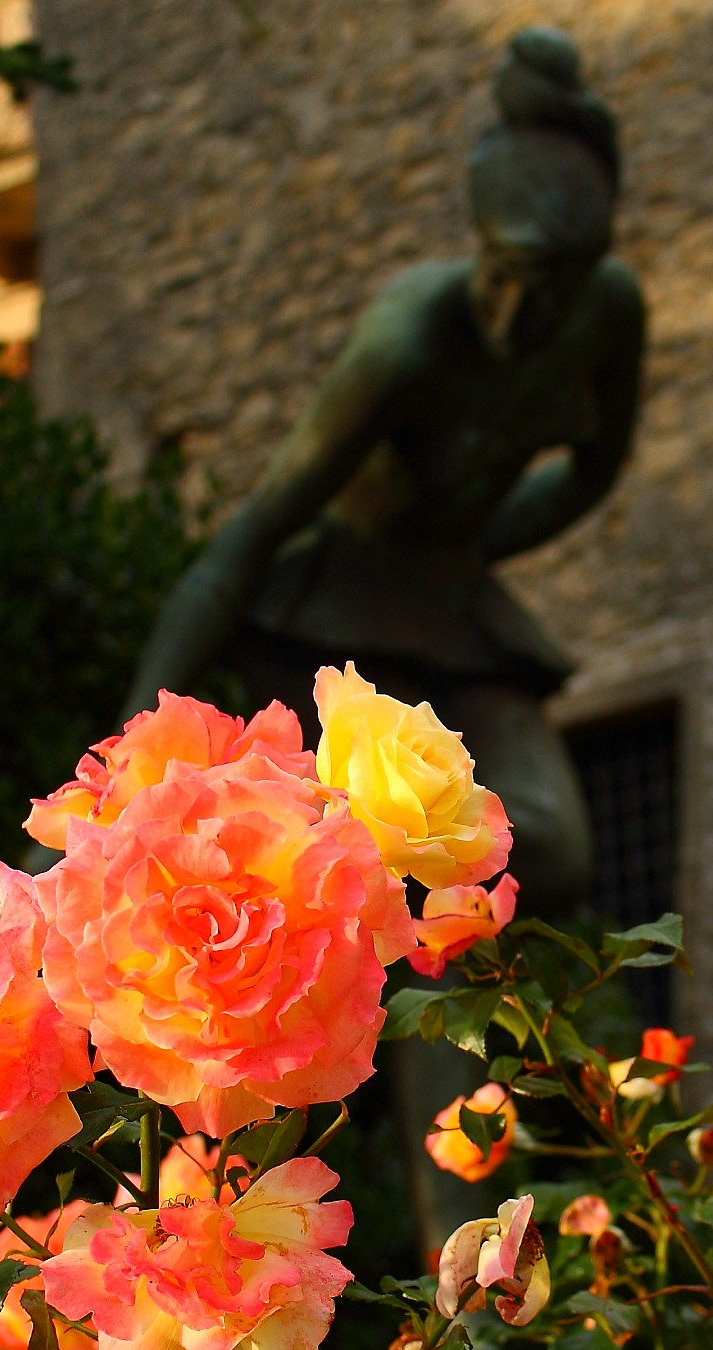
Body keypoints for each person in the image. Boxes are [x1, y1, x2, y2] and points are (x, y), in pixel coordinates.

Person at [115, 25, 647, 922]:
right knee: (342, 847)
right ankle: (361, 1002)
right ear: (479, 245)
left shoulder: (610, 315)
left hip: (459, 612)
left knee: (546, 848)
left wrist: (476, 542)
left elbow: (596, 470)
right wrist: (128, 752)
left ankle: (444, 1019)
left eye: (550, 288)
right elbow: (255, 533)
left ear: (587, 275)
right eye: (506, 275)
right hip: (326, 624)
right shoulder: (406, 340)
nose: (519, 314)